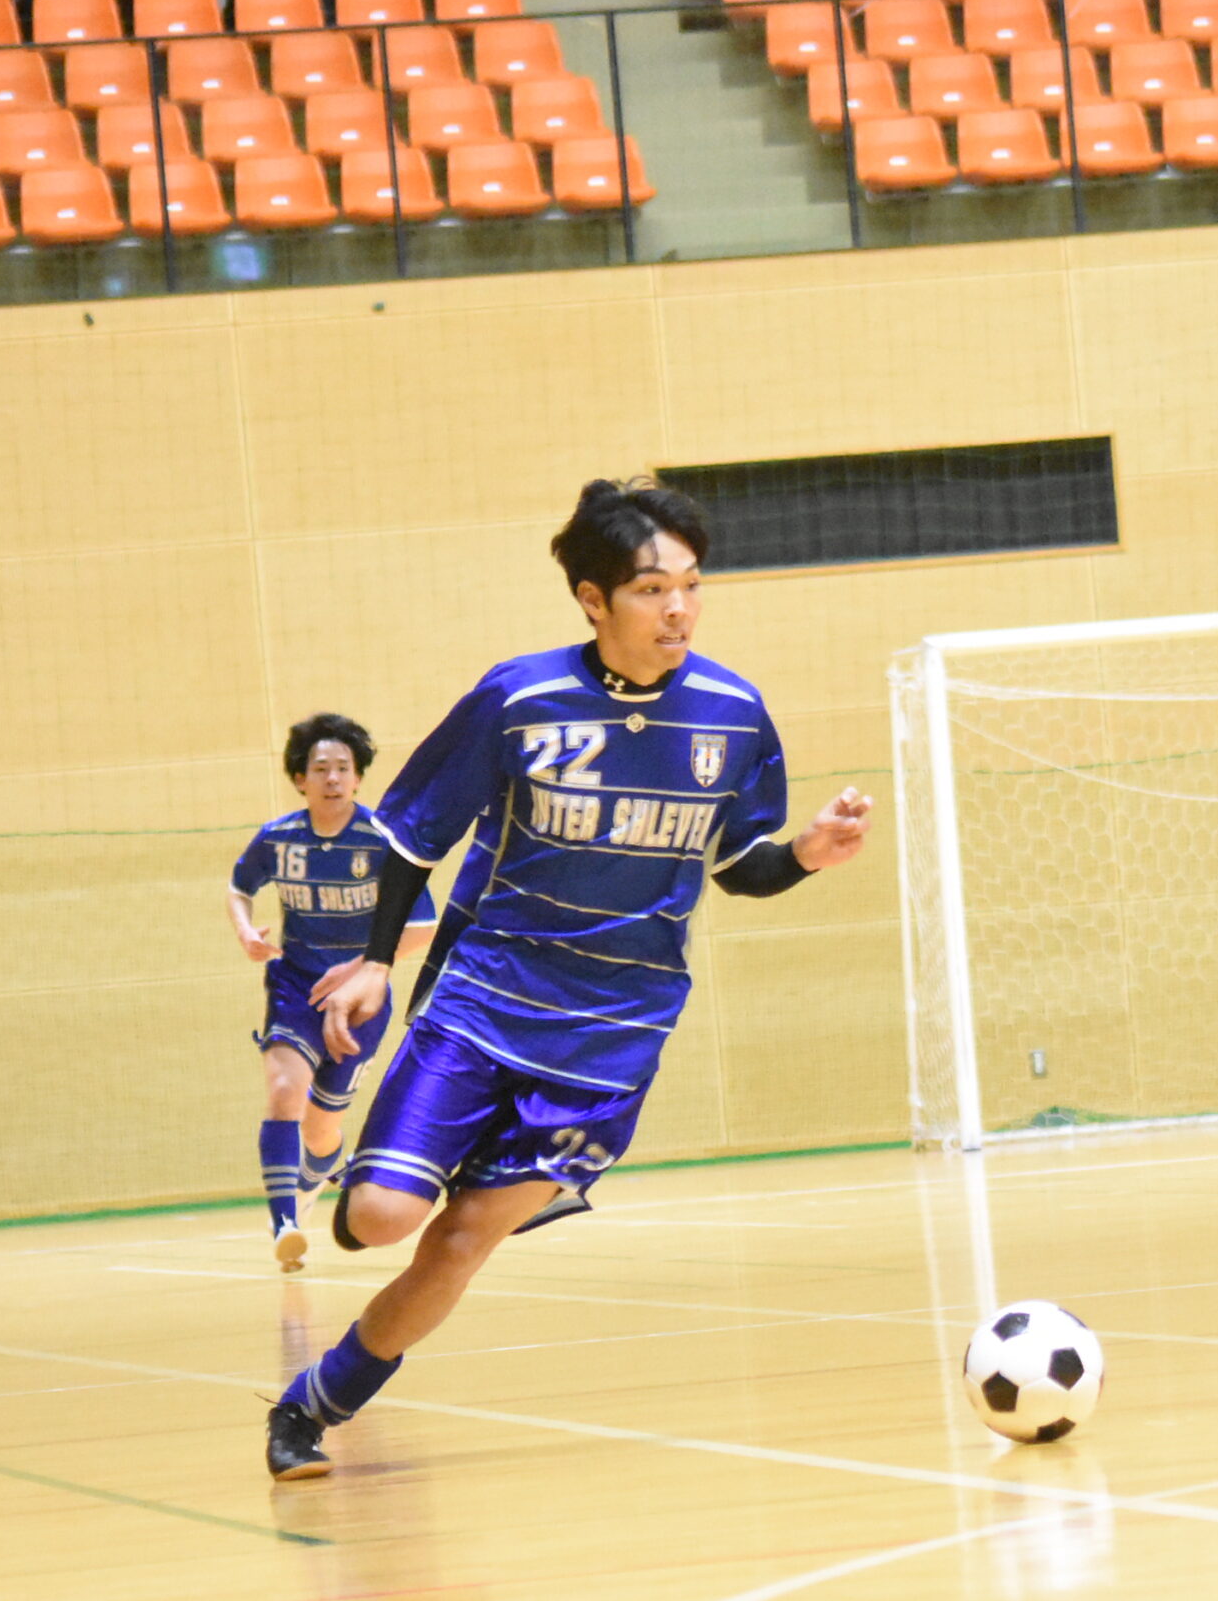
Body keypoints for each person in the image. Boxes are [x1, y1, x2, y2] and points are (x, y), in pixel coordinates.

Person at [265, 478, 873, 1480]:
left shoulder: (733, 714)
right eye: (651, 589)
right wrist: (374, 959)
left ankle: (308, 1407)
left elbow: (740, 866)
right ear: (594, 600)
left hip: (613, 1041)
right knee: (380, 1220)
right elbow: (413, 837)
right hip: (488, 1000)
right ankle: (381, 1184)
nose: (678, 609)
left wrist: (805, 853)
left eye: (691, 585)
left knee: (458, 1244)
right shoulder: (518, 699)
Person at [228, 713, 436, 1272]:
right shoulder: (279, 838)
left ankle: (308, 1190)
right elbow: (238, 887)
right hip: (297, 986)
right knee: (283, 1091)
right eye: (321, 768)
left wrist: (365, 966)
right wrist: (245, 931)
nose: (333, 778)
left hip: (361, 999)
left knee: (322, 1130)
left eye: (343, 768)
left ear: (358, 777)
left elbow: (423, 926)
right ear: (301, 778)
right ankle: (284, 1224)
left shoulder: (383, 840)